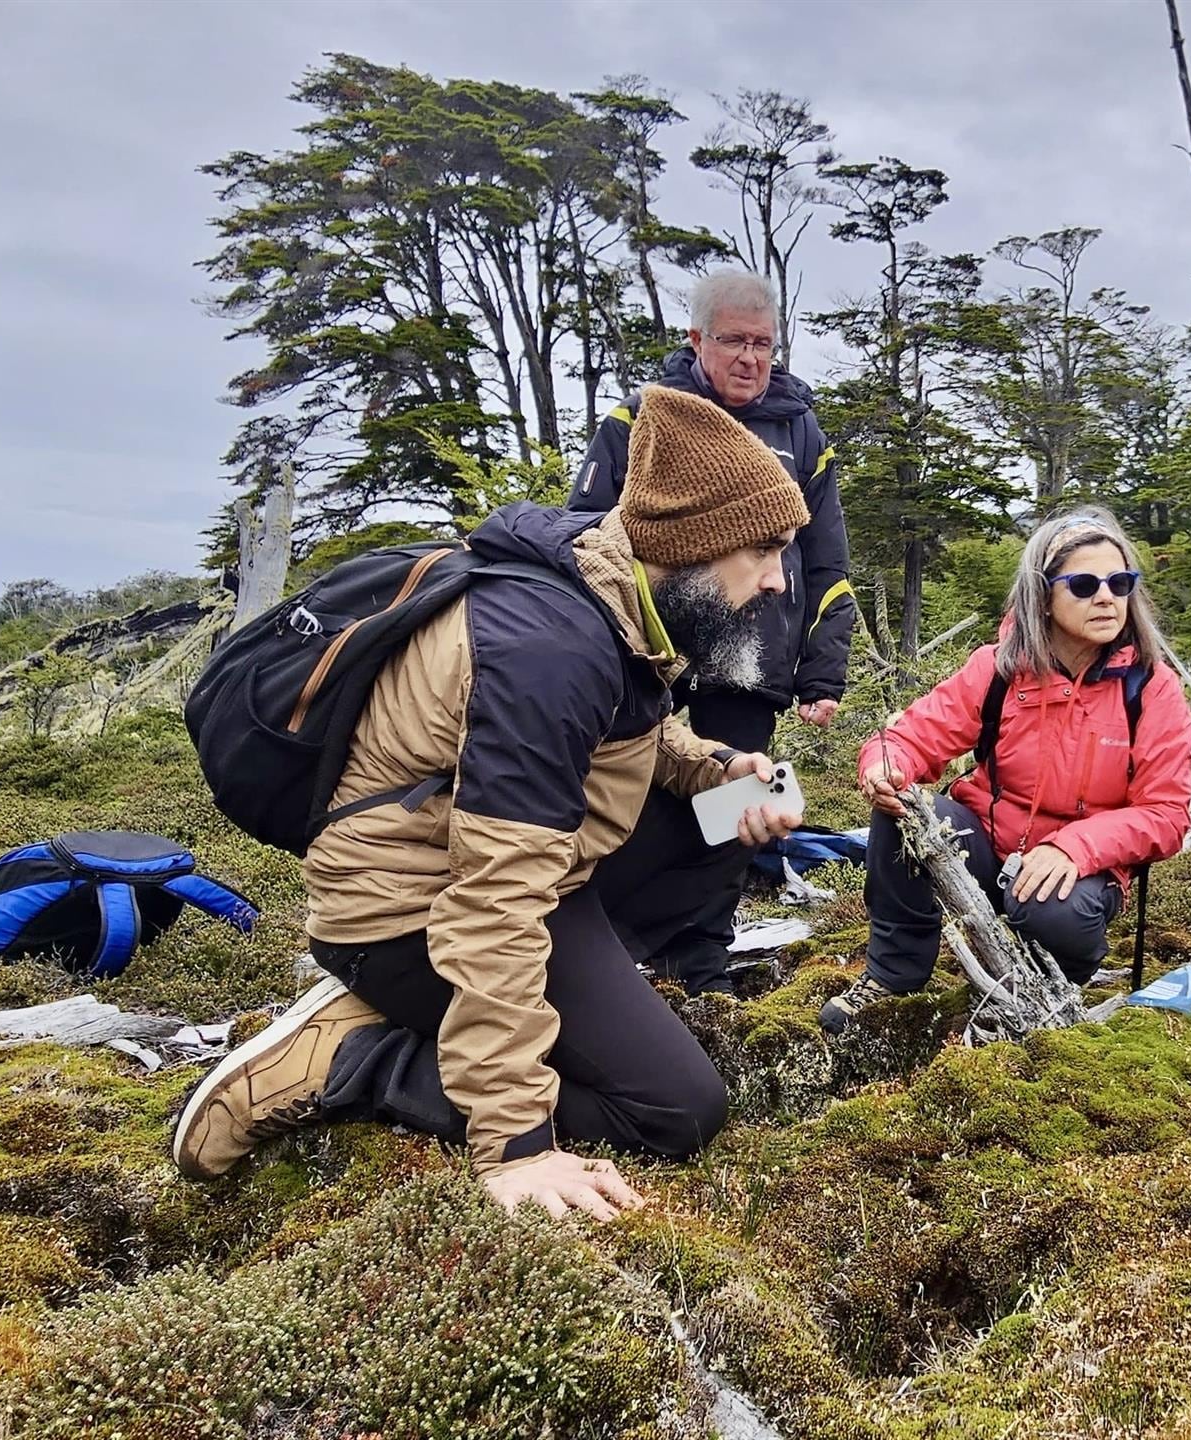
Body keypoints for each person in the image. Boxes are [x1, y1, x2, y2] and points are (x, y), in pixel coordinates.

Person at [173, 387, 812, 1221]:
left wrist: (721, 768)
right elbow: (492, 903)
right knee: (674, 1111)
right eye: (763, 550)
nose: (775, 580)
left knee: (725, 819)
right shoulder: (545, 651)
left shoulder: (607, 590)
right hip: (407, 909)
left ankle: (554, 1004)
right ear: (692, 542)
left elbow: (622, 738)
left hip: (517, 875)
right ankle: (354, 1057)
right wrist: (518, 1146)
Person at [569, 269, 854, 997]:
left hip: (752, 654)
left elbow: (827, 559)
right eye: (733, 341)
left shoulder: (799, 429)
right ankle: (595, 932)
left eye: (764, 344)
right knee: (634, 774)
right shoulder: (641, 420)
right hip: (650, 648)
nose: (750, 359)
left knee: (739, 800)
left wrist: (823, 670)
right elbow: (585, 529)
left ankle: (697, 958)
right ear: (696, 339)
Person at [821, 507, 1191, 1034]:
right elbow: (910, 737)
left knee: (1051, 912)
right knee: (904, 815)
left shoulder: (1150, 687)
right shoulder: (998, 669)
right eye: (1085, 584)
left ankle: (1051, 990)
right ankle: (892, 976)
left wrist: (1077, 846)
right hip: (989, 840)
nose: (1107, 596)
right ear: (1042, 596)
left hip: (1081, 868)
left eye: (1120, 581)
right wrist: (886, 766)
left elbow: (1166, 814)